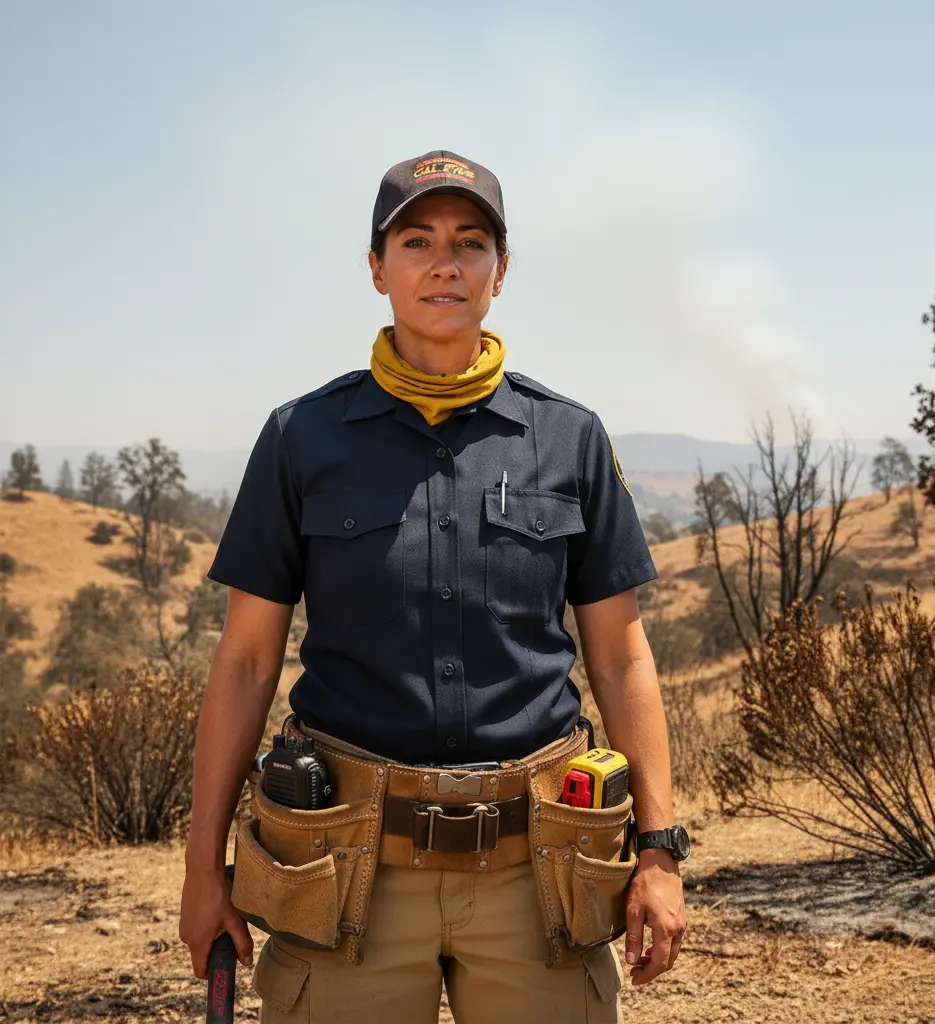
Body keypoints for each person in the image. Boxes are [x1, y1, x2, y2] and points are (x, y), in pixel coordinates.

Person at [179, 150, 688, 1024]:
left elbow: (621, 658)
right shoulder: (302, 437)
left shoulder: (568, 438)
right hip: (344, 867)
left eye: (470, 243)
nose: (444, 264)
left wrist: (659, 851)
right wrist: (201, 870)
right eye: (416, 242)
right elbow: (247, 661)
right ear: (378, 269)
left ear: (501, 270)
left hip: (540, 873)